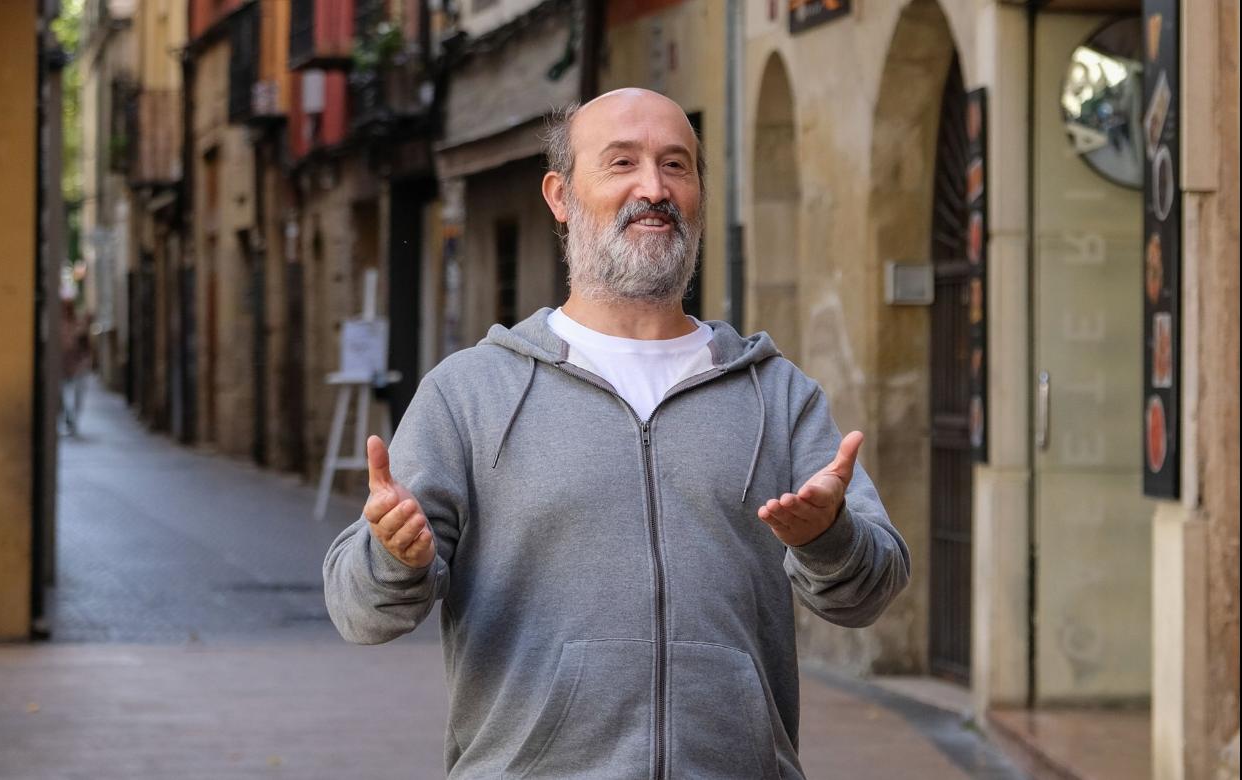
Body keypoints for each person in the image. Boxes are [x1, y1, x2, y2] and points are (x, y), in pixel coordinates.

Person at [324, 88, 910, 779]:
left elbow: (871, 591)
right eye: (622, 163)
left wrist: (828, 537)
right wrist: (395, 557)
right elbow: (359, 614)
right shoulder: (472, 393)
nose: (654, 188)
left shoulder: (776, 394)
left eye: (676, 166)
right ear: (561, 195)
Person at [59, 295, 91, 436]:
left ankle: (73, 420)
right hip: (63, 365)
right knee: (64, 395)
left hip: (78, 365)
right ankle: (69, 418)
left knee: (77, 394)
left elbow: (85, 345)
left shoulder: (78, 324)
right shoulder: (58, 325)